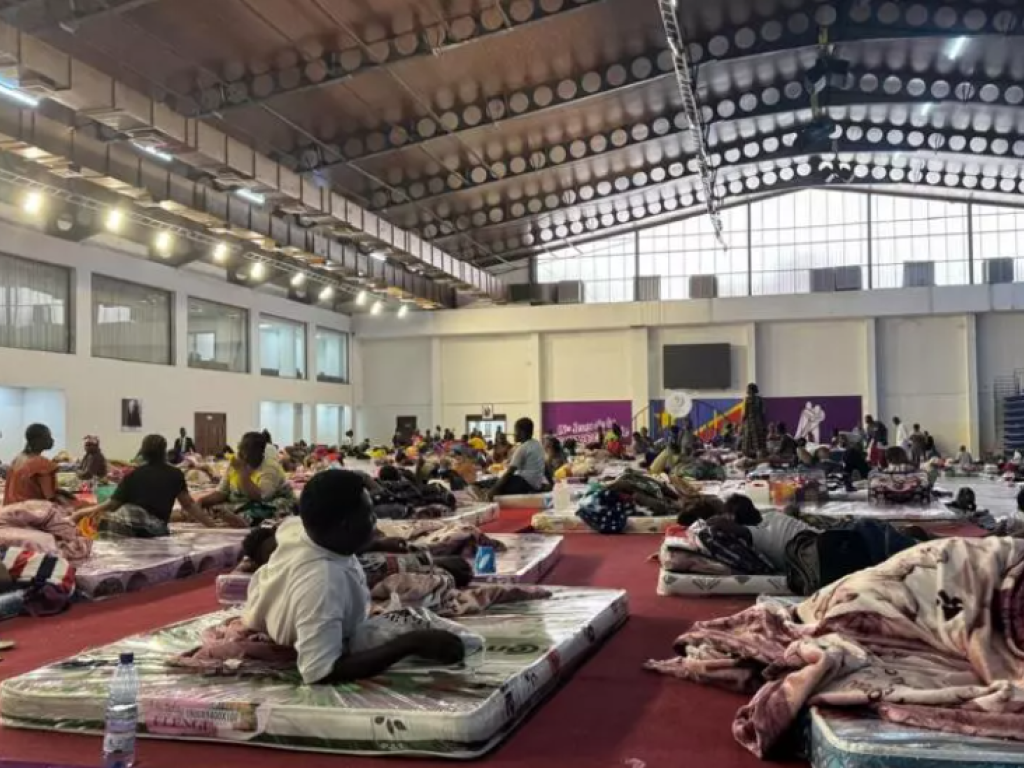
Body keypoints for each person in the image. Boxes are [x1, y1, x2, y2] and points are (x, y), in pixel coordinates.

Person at [242, 470, 465, 685]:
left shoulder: (307, 529)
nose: (375, 521)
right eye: (369, 514)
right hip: (308, 624)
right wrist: (409, 644)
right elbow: (320, 670)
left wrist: (377, 543)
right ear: (345, 526)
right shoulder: (323, 582)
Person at [73, 435, 215, 538]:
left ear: (143, 453)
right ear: (164, 452)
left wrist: (81, 513)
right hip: (154, 527)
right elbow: (189, 504)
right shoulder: (175, 474)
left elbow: (111, 505)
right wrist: (211, 525)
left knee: (111, 518)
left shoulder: (133, 475)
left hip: (132, 524)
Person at [198, 432, 295, 526]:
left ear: (259, 453)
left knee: (263, 509)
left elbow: (261, 497)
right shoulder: (236, 462)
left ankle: (243, 520)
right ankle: (233, 516)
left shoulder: (270, 467)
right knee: (212, 507)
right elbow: (222, 492)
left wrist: (243, 474)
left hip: (270, 502)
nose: (243, 455)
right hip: (243, 503)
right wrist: (202, 501)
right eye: (241, 450)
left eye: (248, 452)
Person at [489, 418, 548, 497]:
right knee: (497, 481)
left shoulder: (523, 448)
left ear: (522, 433)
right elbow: (545, 467)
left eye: (516, 431)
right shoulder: (538, 445)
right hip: (536, 485)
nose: (514, 434)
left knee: (493, 483)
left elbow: (509, 472)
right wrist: (551, 483)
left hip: (524, 484)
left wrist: (494, 490)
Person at [4, 424, 62, 505]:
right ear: (38, 440)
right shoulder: (42, 464)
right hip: (31, 514)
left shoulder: (17, 459)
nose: (52, 440)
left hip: (9, 512)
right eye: (48, 436)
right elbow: (50, 498)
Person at [739, 383, 767, 458]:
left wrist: (741, 426)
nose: (746, 390)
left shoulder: (746, 399)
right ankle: (760, 461)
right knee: (759, 445)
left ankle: (748, 462)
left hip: (749, 425)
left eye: (747, 389)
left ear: (750, 390)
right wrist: (764, 425)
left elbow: (744, 414)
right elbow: (763, 414)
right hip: (759, 424)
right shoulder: (760, 399)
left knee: (747, 445)